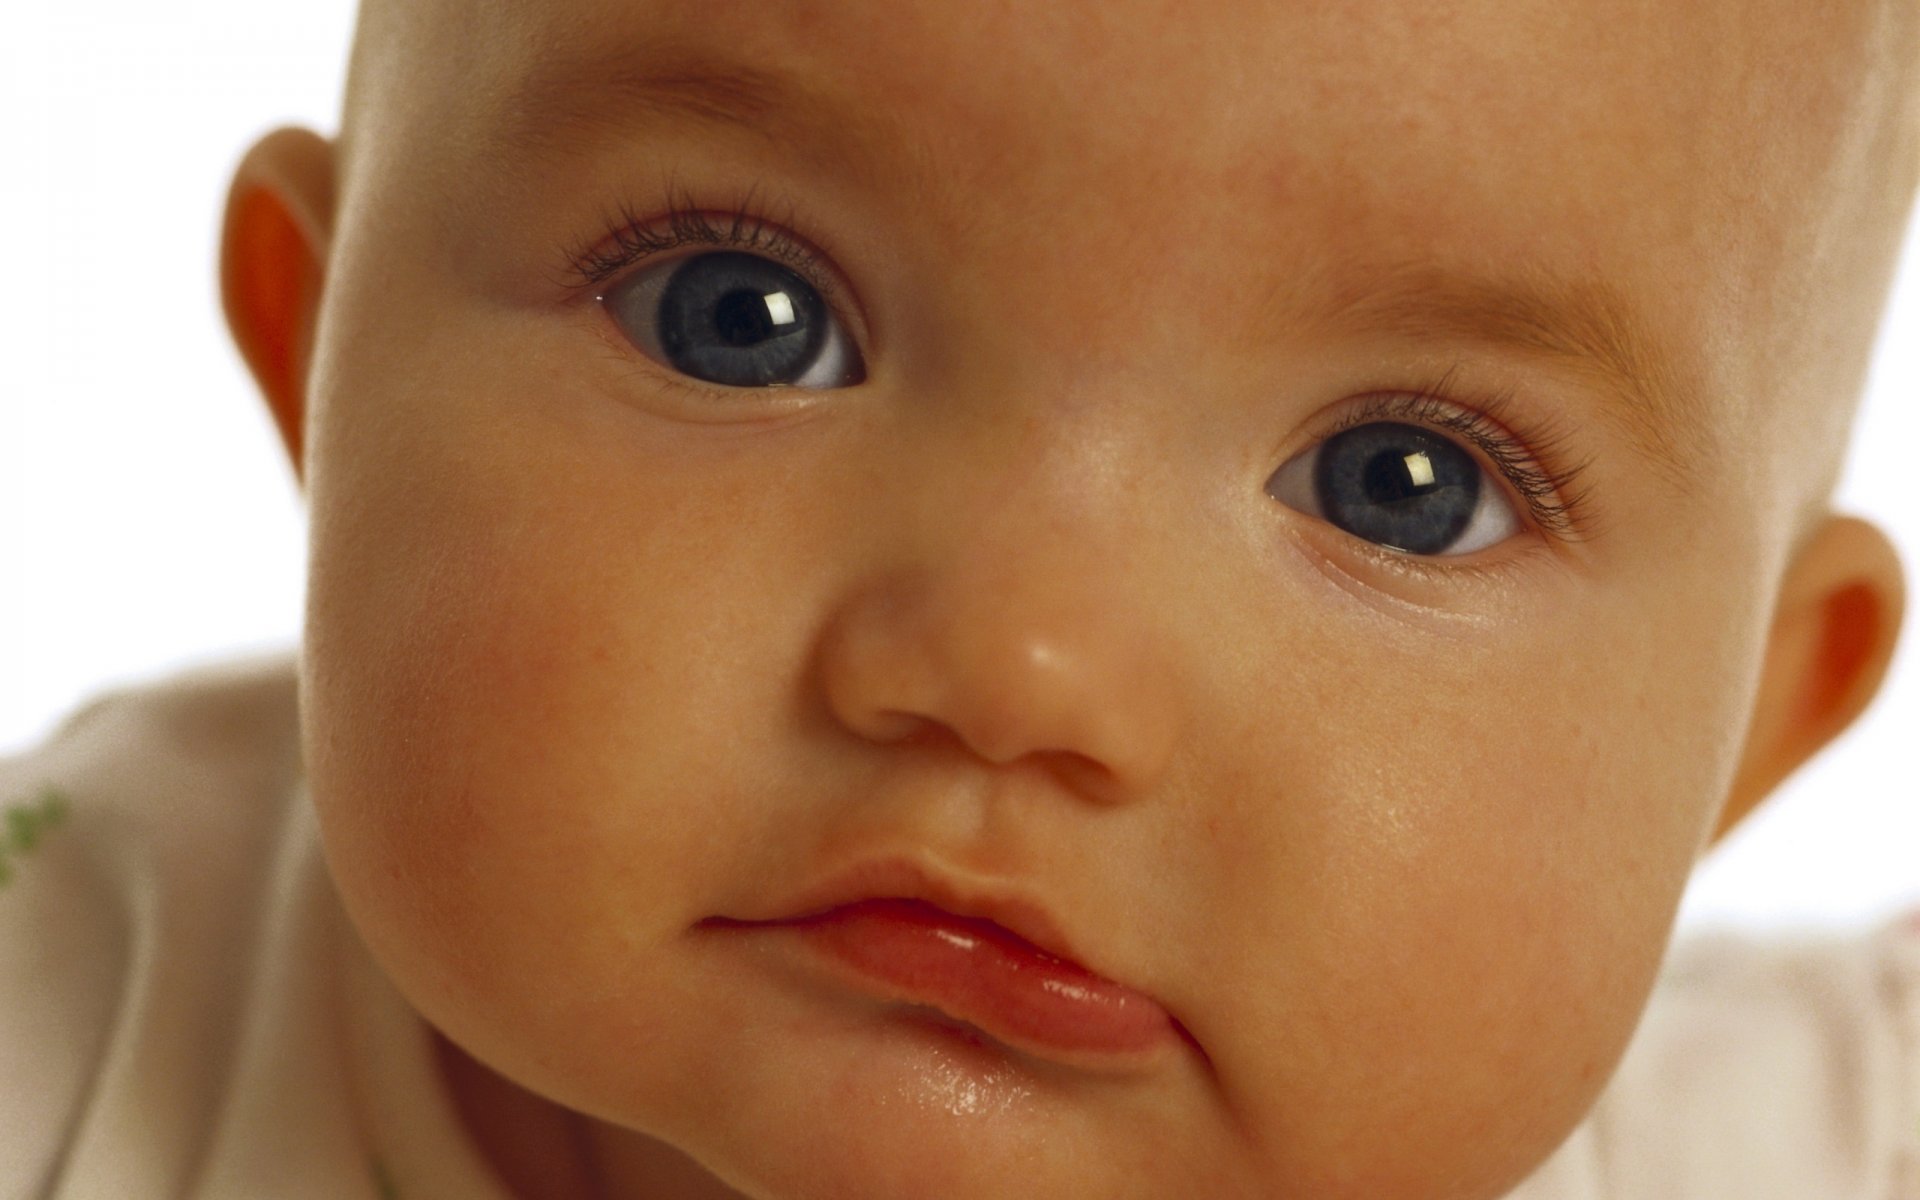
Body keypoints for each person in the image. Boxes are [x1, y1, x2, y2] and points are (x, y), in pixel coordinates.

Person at [5, 0, 1919, 1196]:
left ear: (1749, 727)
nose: (1022, 670)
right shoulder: (70, 1025)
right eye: (743, 319)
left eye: (1402, 490)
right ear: (317, 362)